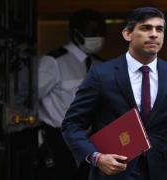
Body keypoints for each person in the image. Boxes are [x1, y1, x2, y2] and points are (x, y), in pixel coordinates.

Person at [61, 7, 167, 180]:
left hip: (159, 171)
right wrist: (96, 157)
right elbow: (72, 125)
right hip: (113, 172)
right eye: (146, 28)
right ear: (127, 34)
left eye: (159, 29)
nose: (154, 34)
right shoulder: (101, 74)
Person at [37, 9, 106, 180]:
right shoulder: (54, 62)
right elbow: (29, 99)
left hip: (89, 140)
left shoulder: (99, 64)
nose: (96, 37)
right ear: (75, 33)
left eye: (100, 32)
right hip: (59, 141)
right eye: (91, 32)